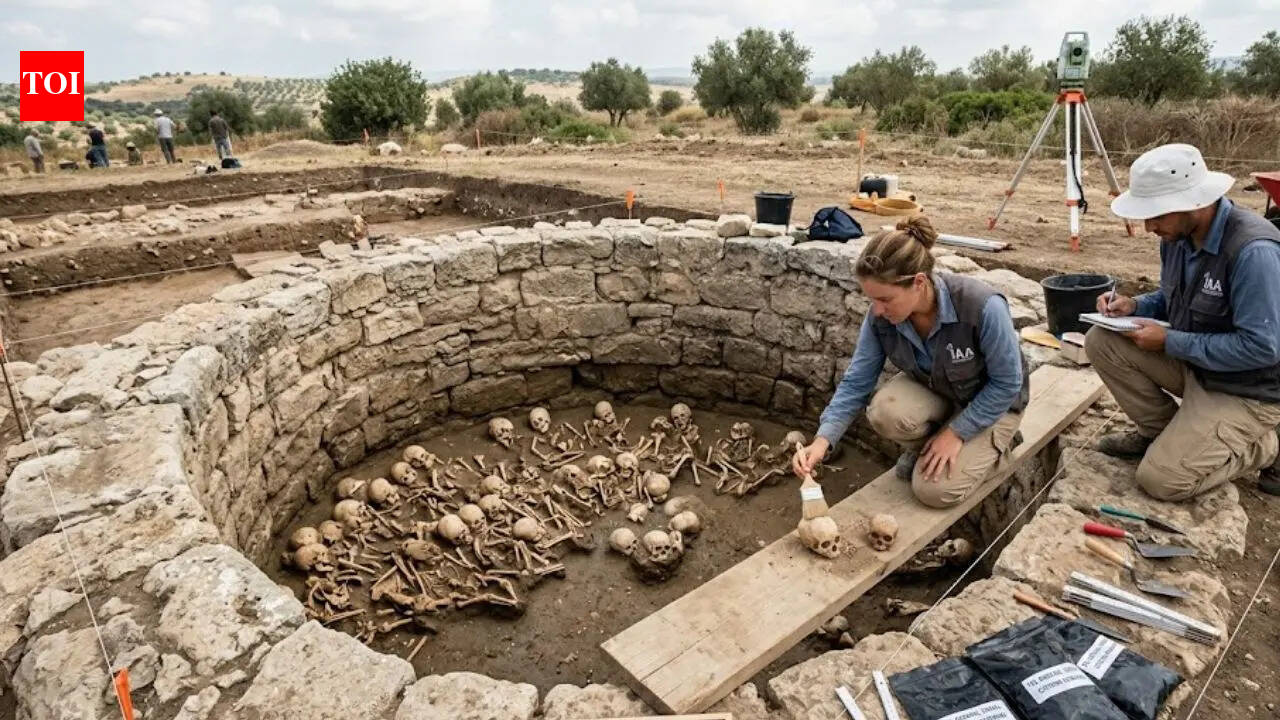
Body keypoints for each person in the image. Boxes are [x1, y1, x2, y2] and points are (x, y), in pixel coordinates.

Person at [1086, 143, 1280, 499]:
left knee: (1161, 481)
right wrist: (1136, 305)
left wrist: (1170, 342)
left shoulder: (1254, 253)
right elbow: (1176, 298)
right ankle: (1161, 433)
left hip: (1247, 390)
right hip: (1199, 366)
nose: (1148, 227)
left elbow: (1262, 349)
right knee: (1102, 340)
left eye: (1156, 215)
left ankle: (1266, 446)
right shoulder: (1178, 236)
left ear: (1195, 202)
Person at [793, 216, 1028, 508]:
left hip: (995, 403)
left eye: (885, 299)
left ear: (918, 282)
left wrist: (957, 433)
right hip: (942, 392)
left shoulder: (981, 307)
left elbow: (1007, 384)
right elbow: (857, 381)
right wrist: (822, 441)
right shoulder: (881, 318)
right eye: (872, 300)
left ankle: (996, 448)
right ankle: (933, 446)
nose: (877, 311)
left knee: (933, 492)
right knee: (884, 411)